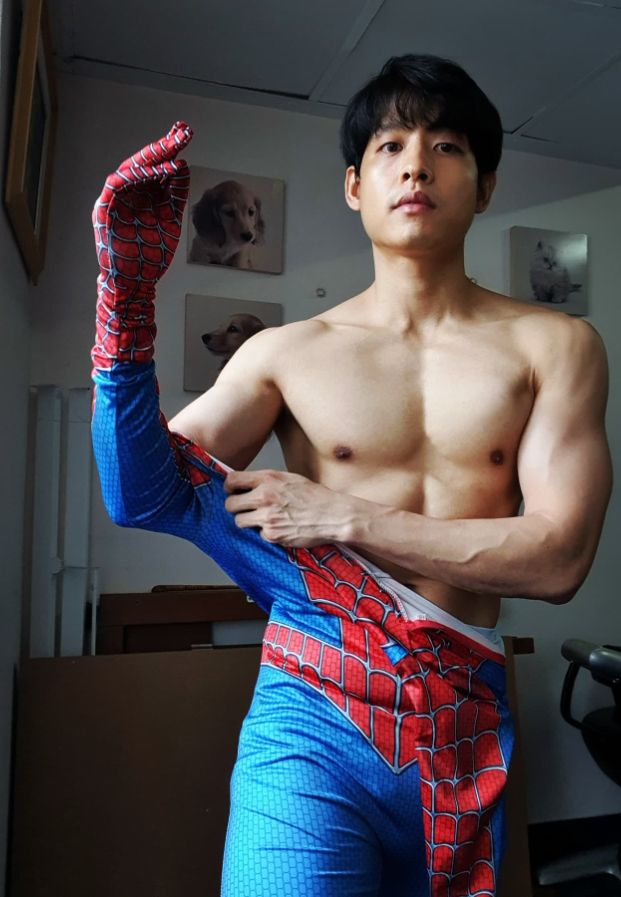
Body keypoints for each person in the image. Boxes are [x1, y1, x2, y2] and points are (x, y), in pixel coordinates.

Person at [90, 54, 612, 897]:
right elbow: (141, 494)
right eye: (390, 146)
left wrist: (344, 515)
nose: (416, 165)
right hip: (312, 707)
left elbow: (558, 560)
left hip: (463, 714)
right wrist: (124, 306)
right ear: (352, 185)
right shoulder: (283, 353)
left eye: (447, 146)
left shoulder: (554, 346)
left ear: (485, 187)